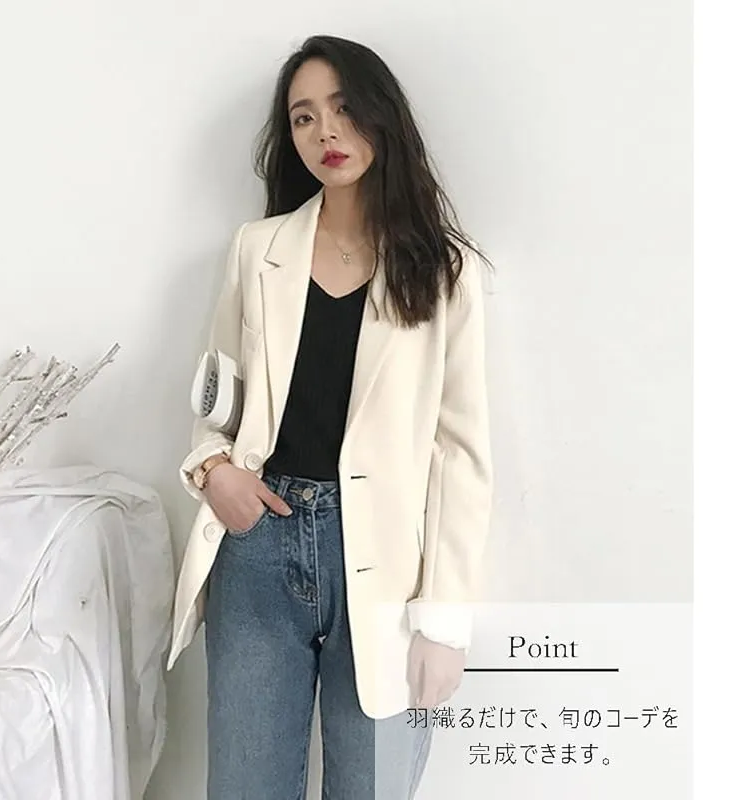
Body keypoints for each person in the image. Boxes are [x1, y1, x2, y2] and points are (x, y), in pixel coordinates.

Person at [168, 34, 494, 799]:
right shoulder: (256, 251)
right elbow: (215, 402)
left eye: (344, 109)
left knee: (372, 785)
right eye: (304, 117)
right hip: (258, 548)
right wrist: (213, 470)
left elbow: (461, 454)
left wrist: (444, 622)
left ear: (382, 116)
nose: (326, 133)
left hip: (384, 566)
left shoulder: (444, 270)